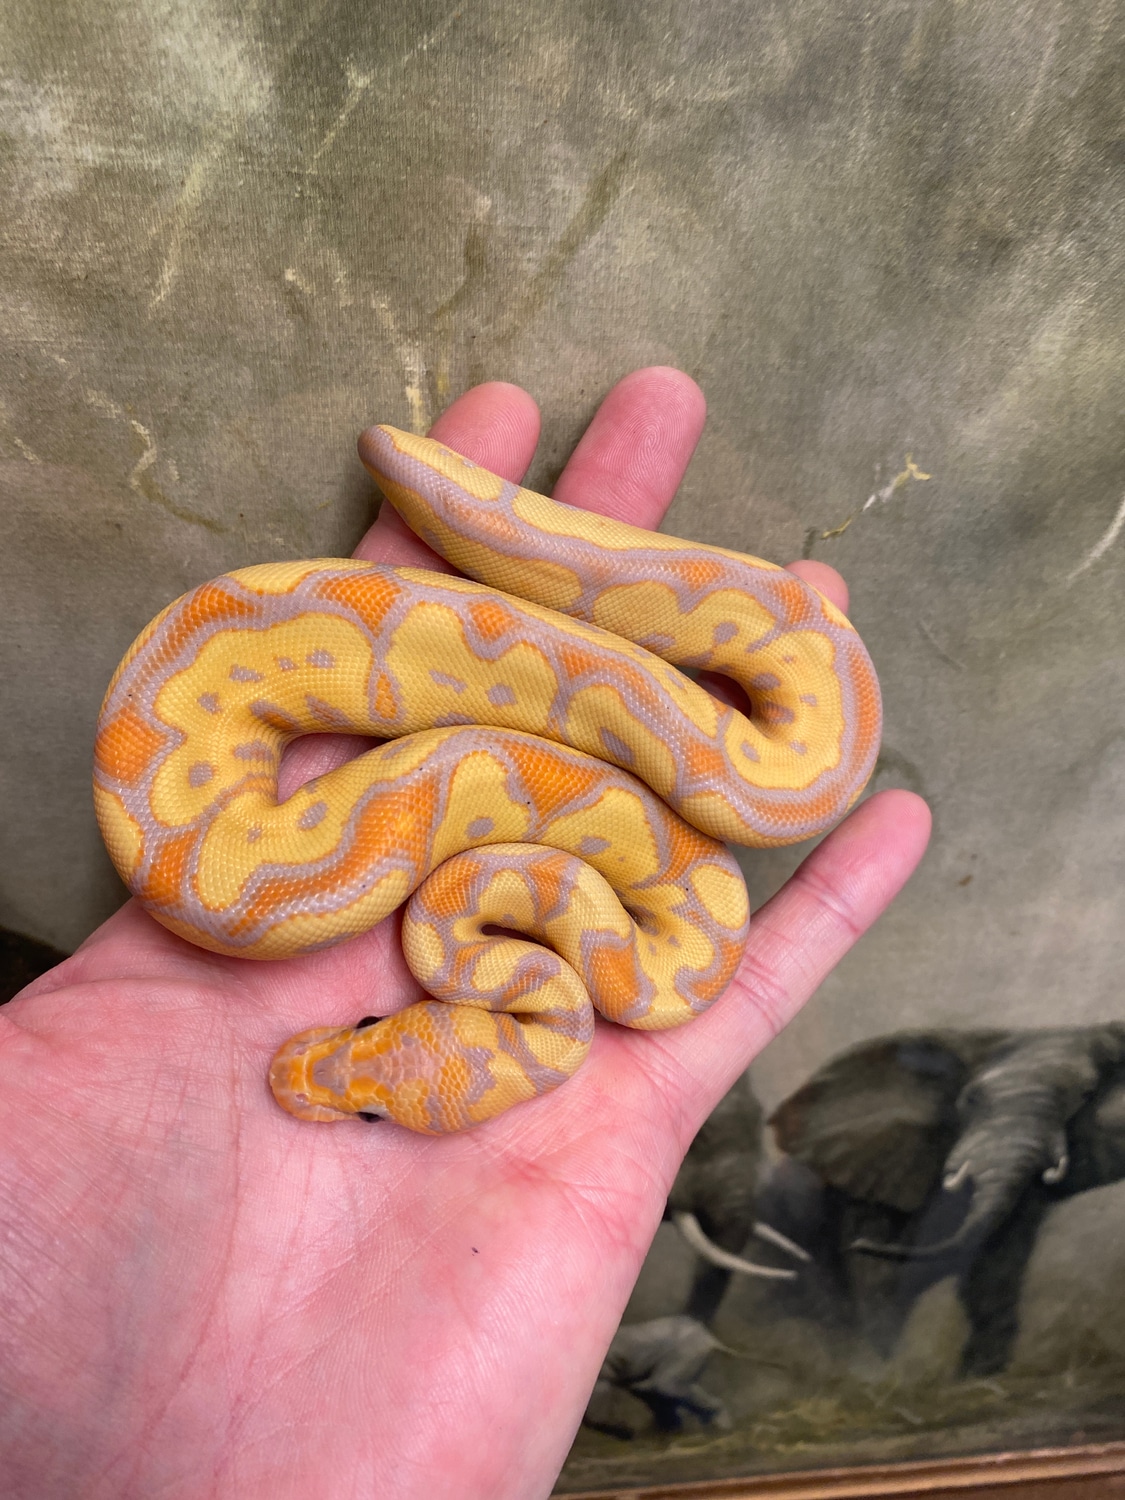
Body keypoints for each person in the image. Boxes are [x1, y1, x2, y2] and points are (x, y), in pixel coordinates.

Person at [0, 367, 930, 1499]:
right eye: (370, 1081)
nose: (318, 1077)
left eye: (367, 1082)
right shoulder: (550, 943)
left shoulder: (468, 927)